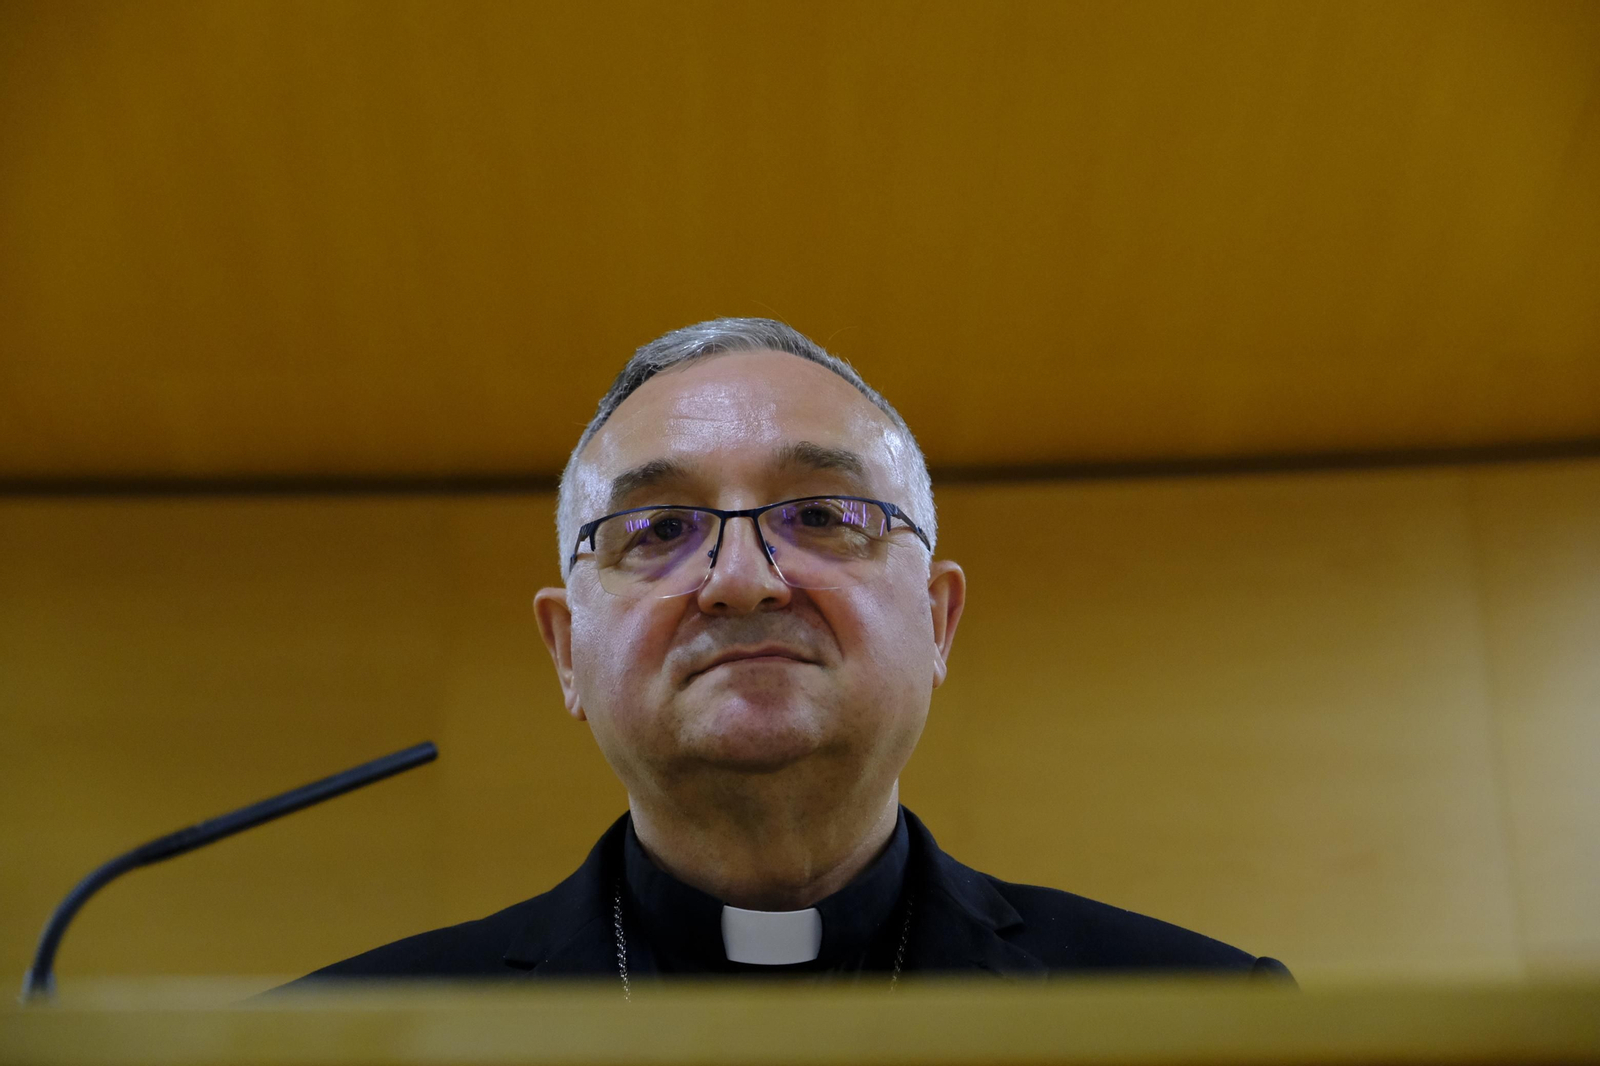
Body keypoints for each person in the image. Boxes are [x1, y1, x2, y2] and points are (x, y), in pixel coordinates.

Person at [294, 318, 1292, 990]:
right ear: (565, 649)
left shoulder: (1197, 1019)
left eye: (823, 513)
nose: (741, 577)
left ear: (938, 622)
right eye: (656, 529)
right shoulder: (328, 1042)